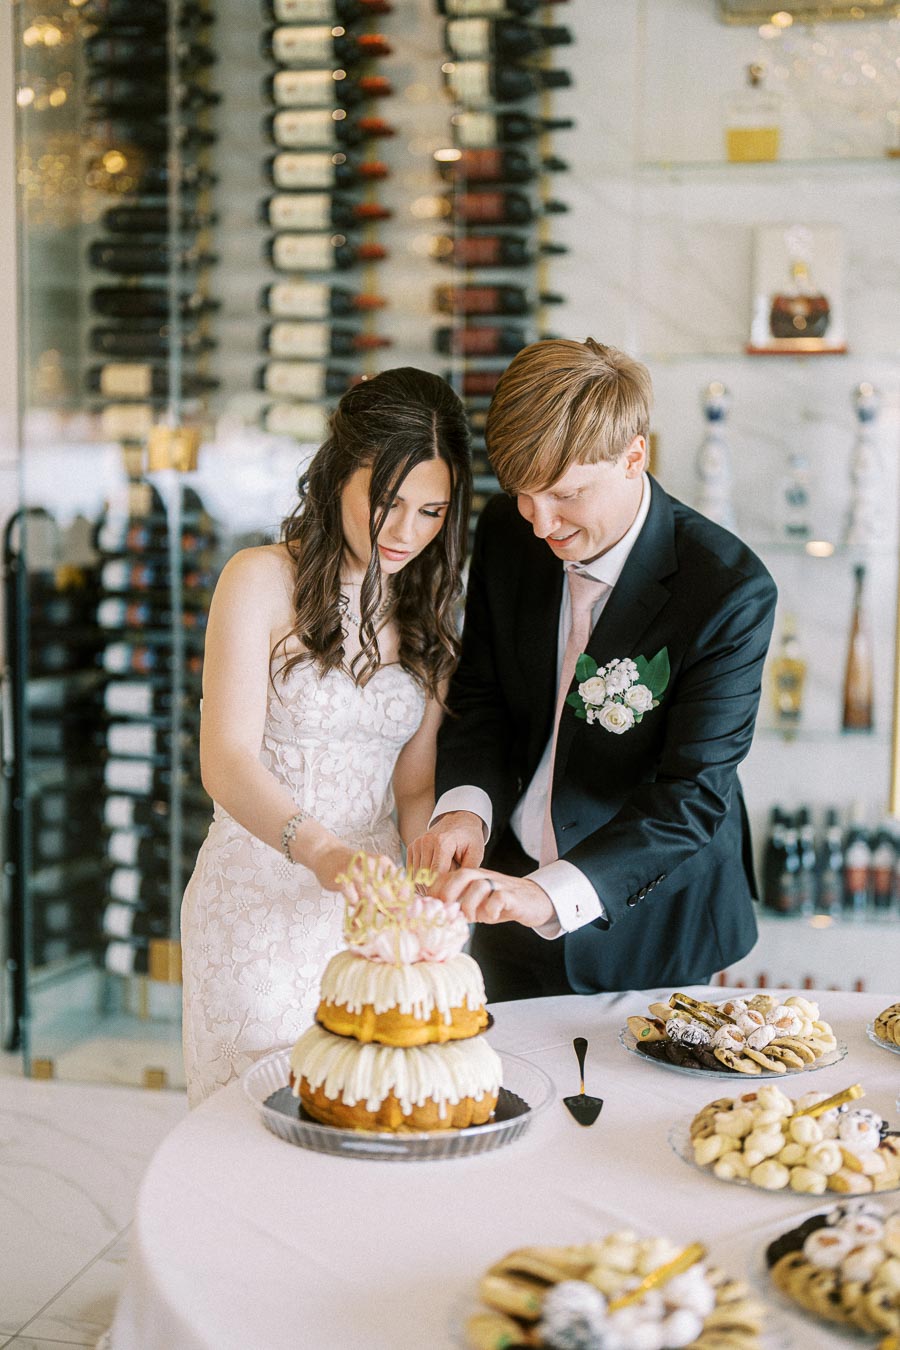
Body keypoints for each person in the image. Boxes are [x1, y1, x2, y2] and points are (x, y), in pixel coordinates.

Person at [409, 339, 777, 1002]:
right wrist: (465, 813)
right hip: (502, 896)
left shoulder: (727, 590)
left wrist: (547, 895)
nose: (542, 523)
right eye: (523, 495)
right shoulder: (506, 532)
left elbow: (690, 795)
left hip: (651, 923)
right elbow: (483, 695)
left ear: (635, 454)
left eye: (566, 494)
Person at [181, 368, 471, 1105]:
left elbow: (411, 787)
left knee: (374, 1130)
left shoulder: (433, 612)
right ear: (340, 475)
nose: (408, 532)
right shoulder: (257, 580)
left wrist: (430, 876)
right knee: (250, 1132)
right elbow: (226, 759)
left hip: (374, 920)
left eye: (432, 511)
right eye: (388, 503)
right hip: (258, 899)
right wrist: (322, 852)